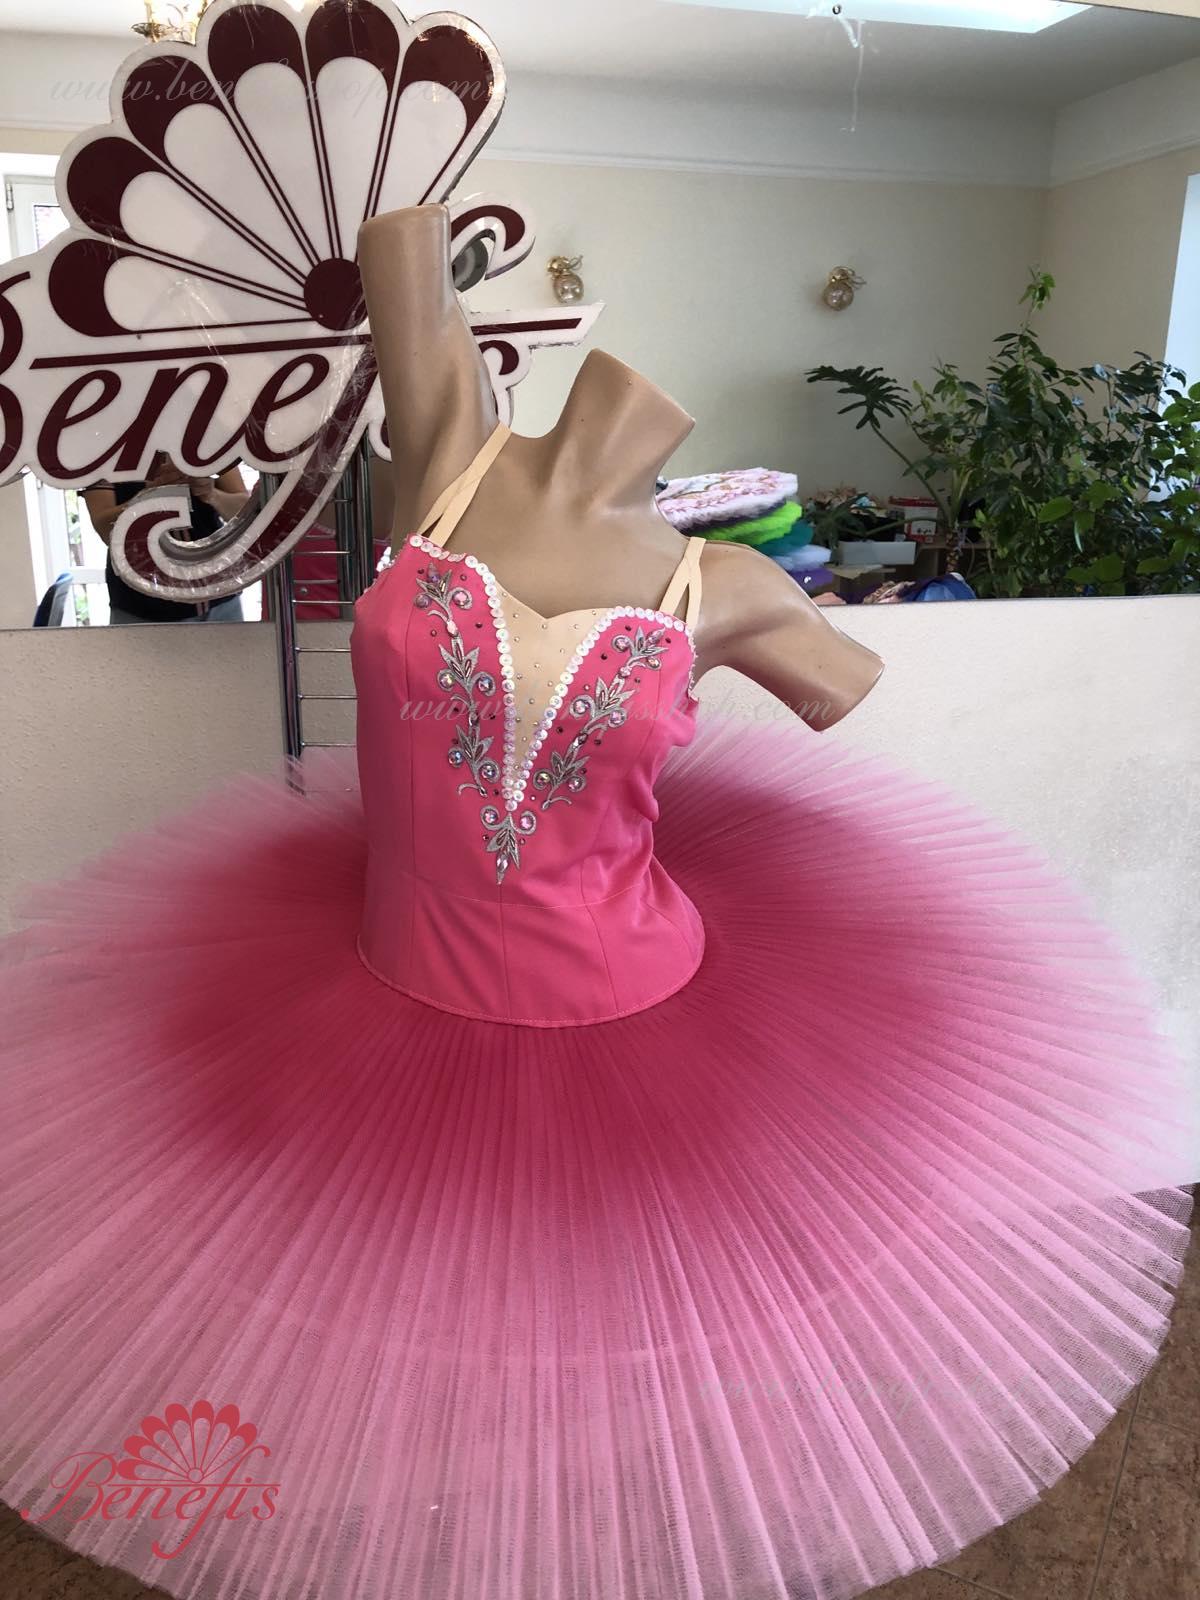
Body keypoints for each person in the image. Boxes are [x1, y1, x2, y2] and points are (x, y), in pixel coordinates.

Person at [82, 454, 252, 623]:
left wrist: (212, 494)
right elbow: (105, 530)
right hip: (141, 605)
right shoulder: (103, 450)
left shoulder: (209, 443)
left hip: (218, 596)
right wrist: (148, 497)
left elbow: (246, 513)